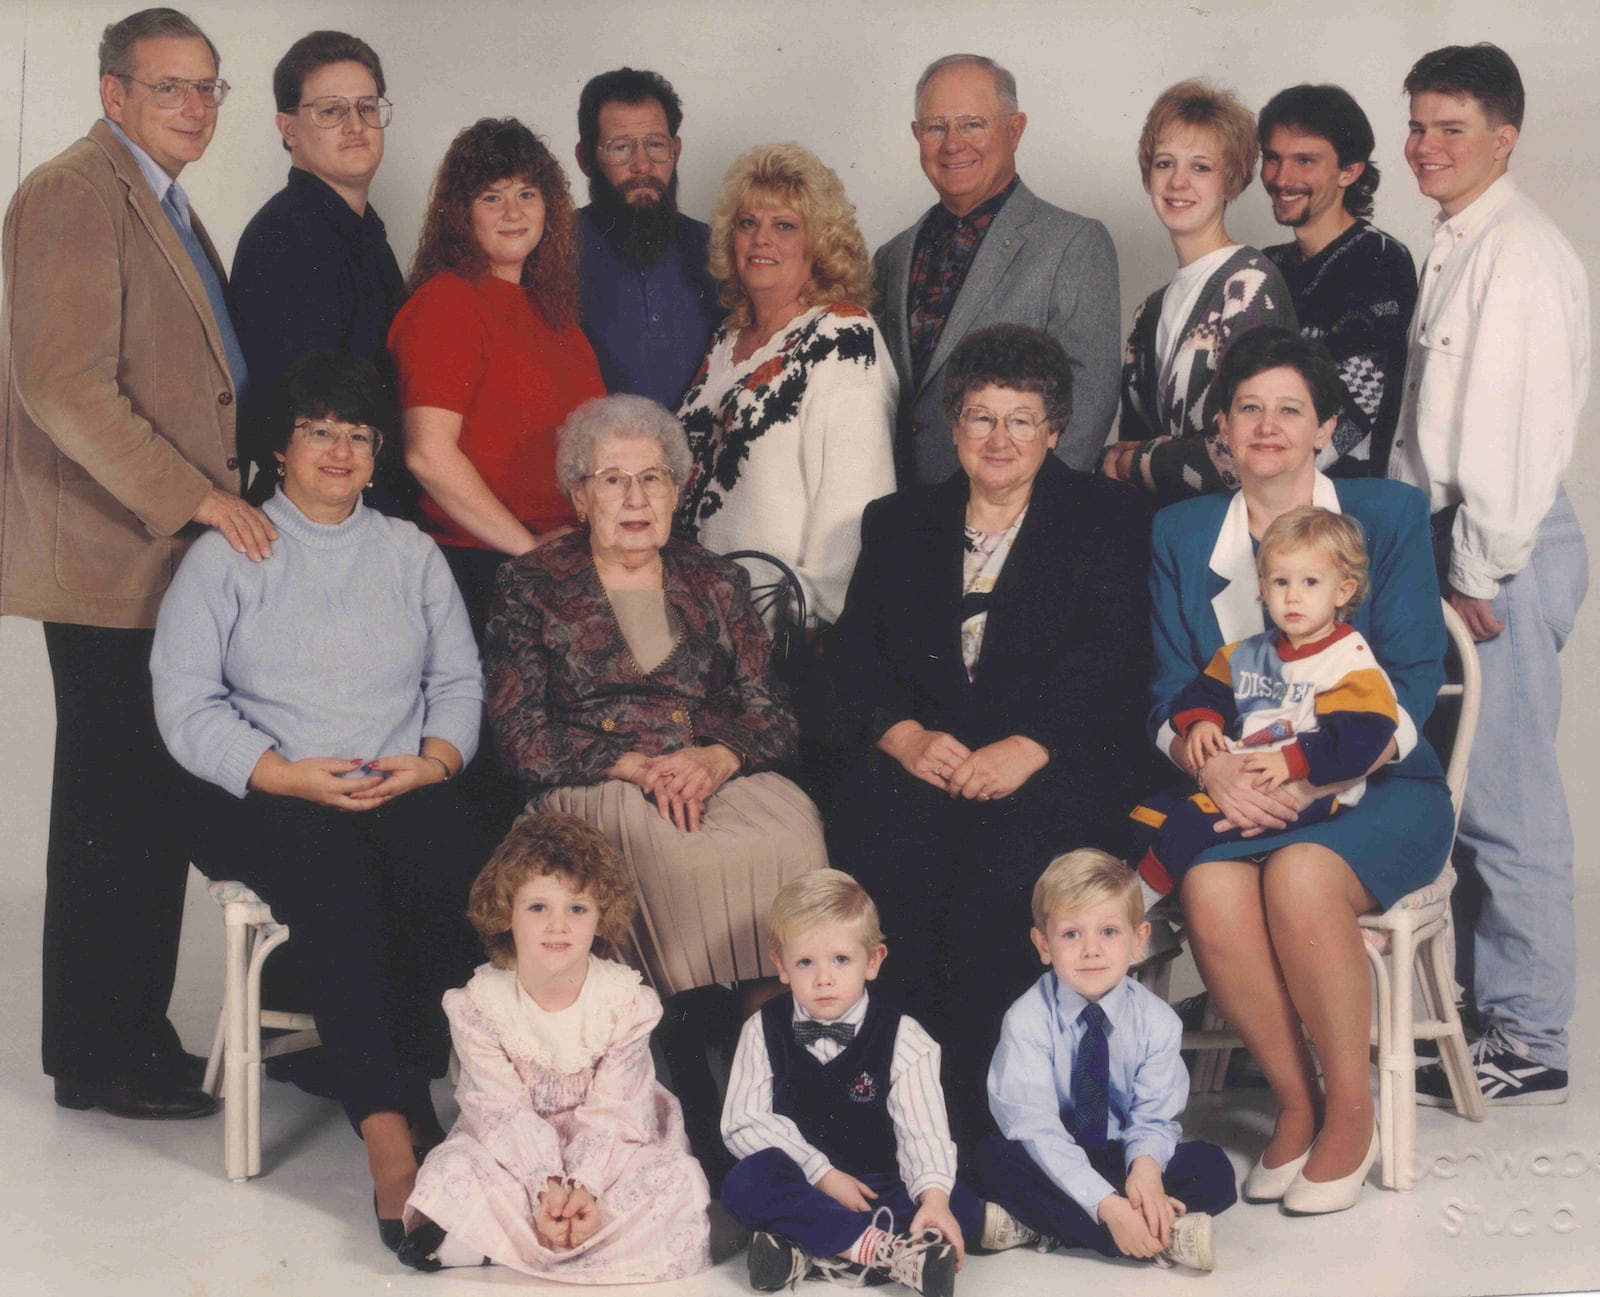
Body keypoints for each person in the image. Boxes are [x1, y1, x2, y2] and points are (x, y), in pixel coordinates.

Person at [150, 351, 489, 1248]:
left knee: (448, 858)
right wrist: (283, 771)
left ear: (378, 454)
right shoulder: (230, 551)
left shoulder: (409, 552)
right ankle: (388, 1135)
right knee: (336, 874)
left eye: (359, 434)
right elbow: (183, 699)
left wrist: (436, 760)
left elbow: (457, 678)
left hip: (394, 780)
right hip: (269, 789)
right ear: (282, 447)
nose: (339, 450)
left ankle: (414, 1084)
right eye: (317, 430)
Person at [0, 6, 269, 1121]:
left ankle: (116, 1037)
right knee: (116, 808)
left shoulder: (156, 193)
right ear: (115, 94)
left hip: (158, 561)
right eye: (171, 89)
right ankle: (101, 1056)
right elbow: (62, 384)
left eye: (208, 88)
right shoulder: (72, 192)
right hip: (113, 557)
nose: (195, 108)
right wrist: (196, 496)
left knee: (141, 804)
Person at [1149, 326, 1453, 1214]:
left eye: (1290, 409)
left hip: (1378, 785)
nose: (1268, 425)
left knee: (1300, 873)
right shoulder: (1179, 531)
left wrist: (1307, 778)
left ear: (1325, 428)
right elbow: (1172, 685)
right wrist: (1208, 761)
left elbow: (1415, 675)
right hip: (1241, 786)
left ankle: (1351, 1109)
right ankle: (1295, 1100)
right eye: (1249, 408)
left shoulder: (1387, 513)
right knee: (1206, 884)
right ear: (1222, 429)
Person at [827, 324, 1152, 1139]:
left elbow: (1115, 659)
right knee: (889, 852)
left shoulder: (1109, 518)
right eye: (979, 416)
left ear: (1055, 430)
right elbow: (855, 655)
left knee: (1005, 871)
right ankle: (898, 1115)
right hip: (928, 764)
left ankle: (990, 1128)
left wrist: (1030, 746)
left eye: (1021, 419)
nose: (998, 438)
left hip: (1058, 765)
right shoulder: (899, 522)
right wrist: (902, 736)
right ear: (951, 424)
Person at [1390, 44, 1589, 1109]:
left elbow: (1512, 445)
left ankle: (1531, 1032)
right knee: (1464, 797)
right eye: (1416, 124)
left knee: (1506, 800)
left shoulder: (1516, 253)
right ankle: (1474, 1010)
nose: (1424, 145)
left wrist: (1474, 573)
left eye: (1449, 128)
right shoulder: (1460, 240)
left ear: (1503, 137)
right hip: (1457, 544)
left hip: (1496, 547)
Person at [484, 393, 826, 997]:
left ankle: (769, 1046)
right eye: (613, 480)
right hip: (599, 778)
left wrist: (720, 756)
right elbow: (519, 734)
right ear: (580, 497)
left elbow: (771, 711)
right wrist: (630, 766)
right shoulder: (530, 584)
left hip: (716, 770)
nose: (636, 497)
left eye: (653, 478)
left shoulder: (717, 579)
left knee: (793, 838)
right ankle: (684, 1041)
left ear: (676, 492)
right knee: (676, 856)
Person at [397, 811, 712, 1280]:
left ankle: (493, 1244)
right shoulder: (480, 1004)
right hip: (514, 1151)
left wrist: (585, 1186)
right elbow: (498, 1109)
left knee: (678, 1182)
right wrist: (545, 1185)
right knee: (452, 1169)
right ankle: (571, 1241)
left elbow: (617, 1110)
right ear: (506, 913)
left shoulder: (625, 1002)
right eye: (538, 908)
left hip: (611, 1150)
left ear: (602, 919)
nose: (557, 926)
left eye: (577, 909)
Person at [389, 116, 606, 632]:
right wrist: (529, 551)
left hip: (560, 561)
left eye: (527, 194)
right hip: (486, 567)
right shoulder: (448, 303)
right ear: (460, 214)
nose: (513, 212)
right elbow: (428, 454)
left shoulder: (551, 312)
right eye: (491, 197)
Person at [720, 870, 977, 1297]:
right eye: (805, 962)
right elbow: (743, 1123)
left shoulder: (905, 1037)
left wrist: (933, 1199)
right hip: (801, 1179)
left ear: (873, 960)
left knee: (955, 1203)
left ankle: (805, 1250)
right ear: (781, 965)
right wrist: (820, 1173)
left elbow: (923, 1133)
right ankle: (880, 1251)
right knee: (745, 1181)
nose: (824, 978)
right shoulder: (761, 1029)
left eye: (841, 960)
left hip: (876, 1185)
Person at [976, 850, 1234, 1270]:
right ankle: (1157, 1234)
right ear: (1044, 945)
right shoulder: (1027, 1020)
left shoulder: (1158, 1022)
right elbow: (1035, 1128)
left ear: (1138, 941)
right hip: (1054, 1154)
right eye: (1071, 935)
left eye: (1109, 932)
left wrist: (1146, 1171)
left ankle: (1042, 1224)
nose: (1091, 950)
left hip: (1121, 1155)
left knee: (1215, 1170)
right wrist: (1108, 1206)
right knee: (991, 1160)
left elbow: (1153, 1119)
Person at [676, 142, 896, 629]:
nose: (761, 240)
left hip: (775, 632)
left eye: (785, 226)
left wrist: (805, 617)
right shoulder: (725, 341)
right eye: (748, 223)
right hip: (696, 621)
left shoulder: (842, 337)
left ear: (819, 243)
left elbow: (856, 508)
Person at [874, 54, 1120, 483]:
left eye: (972, 123)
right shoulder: (892, 256)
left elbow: (1089, 400)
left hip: (1014, 517)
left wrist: (1033, 519)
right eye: (936, 126)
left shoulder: (1073, 243)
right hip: (902, 515)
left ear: (1015, 129)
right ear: (916, 135)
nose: (953, 144)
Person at [1132, 506, 1399, 896]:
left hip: (1309, 785)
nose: (1292, 596)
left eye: (1310, 582)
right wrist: (1204, 721)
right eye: (1280, 581)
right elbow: (1205, 692)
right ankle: (1155, 907)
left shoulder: (1348, 660)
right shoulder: (1250, 652)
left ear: (1343, 591)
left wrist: (1291, 761)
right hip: (1249, 767)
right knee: (1146, 816)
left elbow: (1363, 738)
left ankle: (1136, 910)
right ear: (1262, 588)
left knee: (1191, 823)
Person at [1101, 79, 1296, 503]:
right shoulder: (1148, 311)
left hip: (1236, 538)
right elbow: (1130, 446)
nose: (1178, 182)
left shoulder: (1248, 285)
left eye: (1201, 167)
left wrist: (1133, 463)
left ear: (1232, 182)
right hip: (1166, 537)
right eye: (1164, 163)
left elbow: (1245, 450)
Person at [232, 30, 405, 496]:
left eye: (367, 108)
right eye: (331, 111)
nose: (356, 126)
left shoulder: (362, 230)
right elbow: (307, 422)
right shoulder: (287, 239)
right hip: (321, 510)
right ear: (289, 129)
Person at [1258, 83, 1417, 478]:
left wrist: (1267, 473)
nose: (1282, 177)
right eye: (1272, 158)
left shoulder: (1379, 259)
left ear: (1350, 170)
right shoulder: (1266, 264)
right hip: (1265, 486)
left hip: (1341, 506)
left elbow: (1359, 409)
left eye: (1305, 161)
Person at [574, 67, 720, 406]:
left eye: (656, 145)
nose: (642, 165)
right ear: (585, 160)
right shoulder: (549, 249)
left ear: (676, 151)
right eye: (620, 148)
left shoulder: (719, 251)